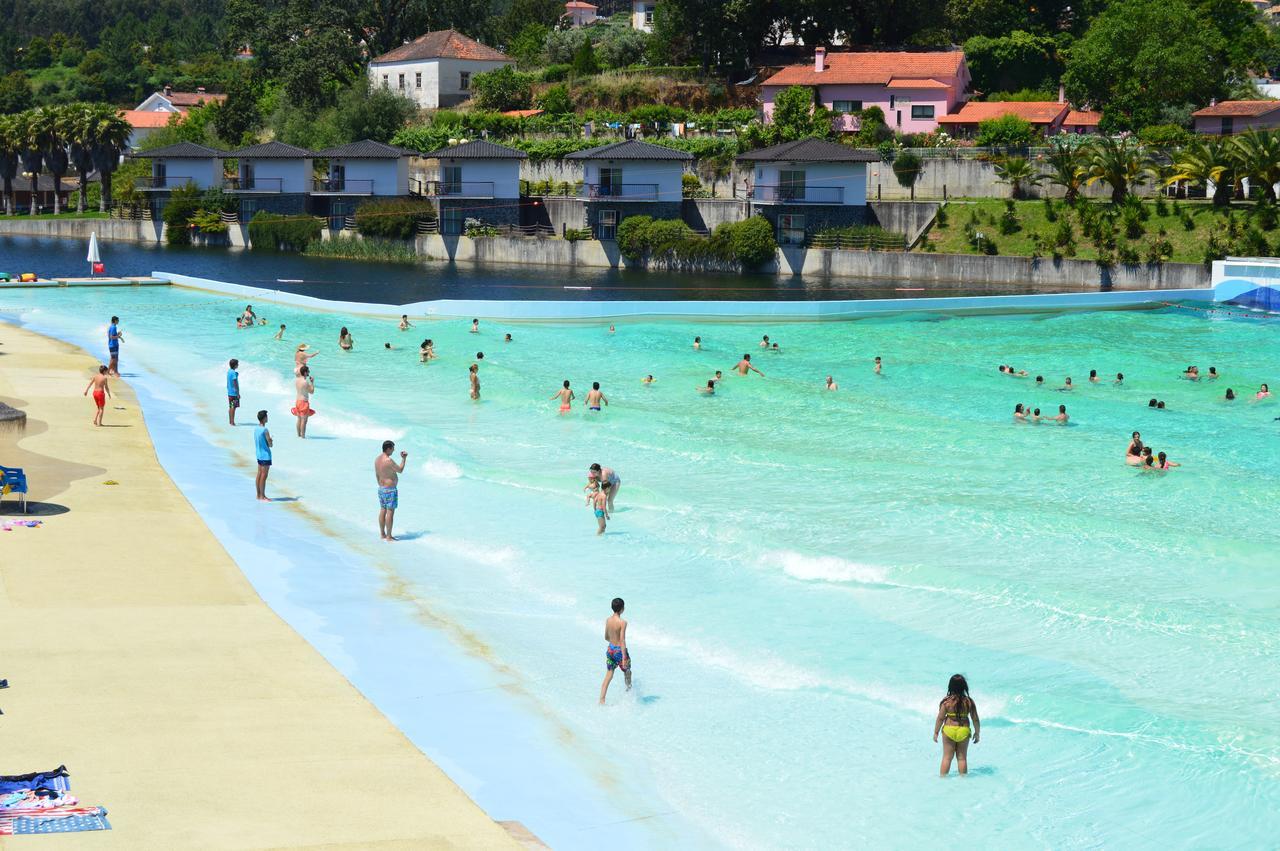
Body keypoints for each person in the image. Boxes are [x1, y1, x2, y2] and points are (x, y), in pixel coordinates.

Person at [932, 674, 980, 776]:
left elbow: (940, 718)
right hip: (963, 731)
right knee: (962, 759)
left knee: (947, 758)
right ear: (964, 686)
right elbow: (975, 719)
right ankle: (964, 781)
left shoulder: (947, 702)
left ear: (950, 686)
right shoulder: (969, 702)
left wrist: (936, 732)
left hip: (949, 730)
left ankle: (942, 781)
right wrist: (977, 733)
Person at [374, 440, 408, 541]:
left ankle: (382, 534)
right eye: (393, 448)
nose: (394, 450)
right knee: (390, 512)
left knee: (382, 510)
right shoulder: (388, 460)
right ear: (388, 449)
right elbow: (400, 470)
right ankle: (389, 536)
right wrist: (404, 459)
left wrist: (380, 484)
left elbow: (377, 474)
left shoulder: (377, 459)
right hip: (390, 490)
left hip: (381, 489)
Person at [599, 597, 631, 704]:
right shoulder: (623, 623)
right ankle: (629, 695)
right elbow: (622, 640)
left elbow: (606, 637)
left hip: (610, 649)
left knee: (609, 675)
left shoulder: (608, 620)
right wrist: (624, 657)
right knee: (627, 672)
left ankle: (602, 700)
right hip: (619, 651)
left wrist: (613, 640)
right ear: (622, 609)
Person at [254, 410, 273, 501]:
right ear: (264, 418)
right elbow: (270, 445)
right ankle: (262, 496)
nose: (267, 418)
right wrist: (271, 440)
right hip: (265, 455)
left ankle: (258, 495)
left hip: (259, 454)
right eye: (266, 416)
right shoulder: (265, 430)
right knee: (264, 476)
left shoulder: (256, 429)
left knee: (259, 474)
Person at [292, 365, 315, 438]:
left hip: (298, 401)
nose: (309, 372)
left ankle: (298, 435)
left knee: (299, 419)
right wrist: (312, 382)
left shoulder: (297, 380)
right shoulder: (305, 382)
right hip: (303, 402)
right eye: (308, 371)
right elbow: (311, 392)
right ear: (305, 373)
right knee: (304, 421)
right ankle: (303, 437)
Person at [226, 358, 240, 425]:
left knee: (231, 407)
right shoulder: (233, 373)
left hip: (229, 393)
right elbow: (235, 383)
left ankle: (230, 421)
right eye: (237, 364)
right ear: (235, 365)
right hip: (234, 394)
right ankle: (232, 422)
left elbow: (230, 380)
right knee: (233, 408)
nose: (238, 365)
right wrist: (237, 393)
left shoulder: (229, 371)